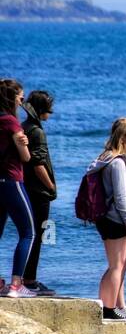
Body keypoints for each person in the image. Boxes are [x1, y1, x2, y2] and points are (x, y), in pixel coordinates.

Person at [88, 118, 126, 321]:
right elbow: (121, 197)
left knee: (117, 265)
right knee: (116, 266)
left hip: (109, 218)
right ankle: (109, 309)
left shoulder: (109, 158)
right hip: (116, 219)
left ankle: (112, 306)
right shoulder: (117, 163)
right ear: (123, 139)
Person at [0, 79, 37, 298]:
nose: (23, 101)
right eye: (21, 98)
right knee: (28, 232)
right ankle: (16, 284)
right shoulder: (13, 123)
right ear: (13, 98)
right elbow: (26, 157)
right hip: (12, 180)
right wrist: (24, 146)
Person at [20, 89, 58, 295]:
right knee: (37, 235)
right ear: (42, 110)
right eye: (49, 110)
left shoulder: (24, 126)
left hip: (26, 187)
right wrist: (50, 186)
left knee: (30, 233)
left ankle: (26, 277)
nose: (50, 114)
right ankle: (30, 279)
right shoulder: (37, 131)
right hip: (39, 191)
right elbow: (38, 163)